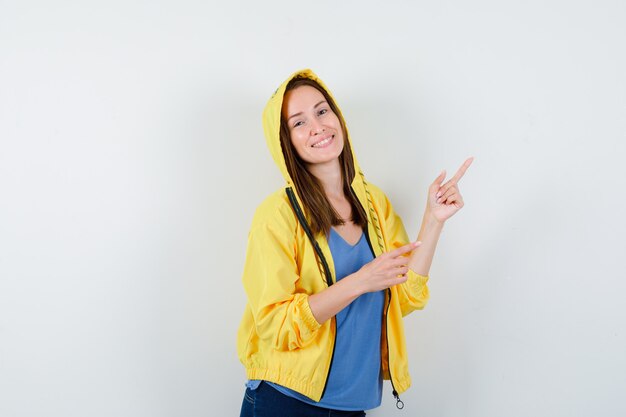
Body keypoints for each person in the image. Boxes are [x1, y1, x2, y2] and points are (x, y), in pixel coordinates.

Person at [237, 69, 473, 417]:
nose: (317, 126)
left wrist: (433, 220)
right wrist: (360, 282)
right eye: (298, 123)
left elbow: (403, 297)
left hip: (352, 406)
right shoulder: (276, 215)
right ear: (284, 141)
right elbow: (275, 324)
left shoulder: (374, 202)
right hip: (286, 402)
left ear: (337, 116)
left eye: (322, 111)